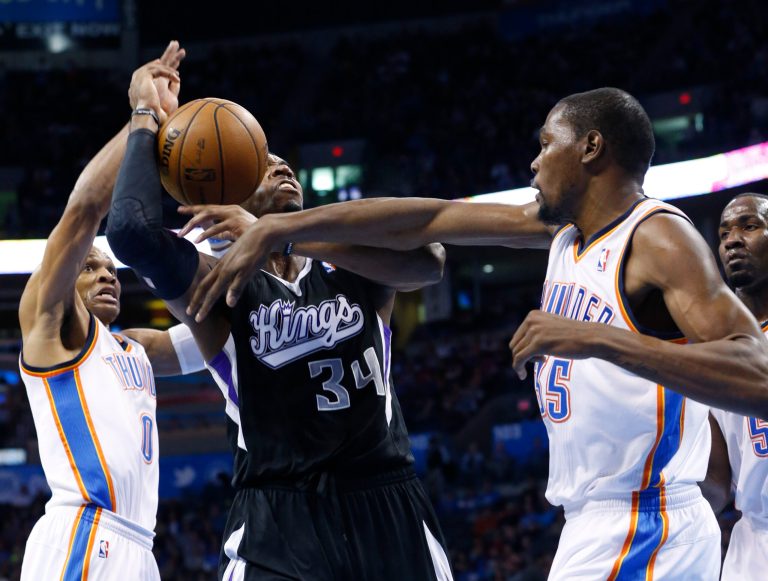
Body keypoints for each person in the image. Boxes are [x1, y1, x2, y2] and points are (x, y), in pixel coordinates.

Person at [187, 87, 768, 580]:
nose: (534, 162)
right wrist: (282, 230)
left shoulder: (658, 237)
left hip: (645, 519)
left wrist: (596, 339)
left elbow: (757, 373)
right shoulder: (559, 231)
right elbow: (427, 219)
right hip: (597, 520)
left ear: (592, 148)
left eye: (547, 143)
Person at [105, 97, 453, 577]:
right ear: (230, 189)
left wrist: (282, 233)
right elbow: (130, 232)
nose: (282, 166)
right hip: (279, 520)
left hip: (387, 503)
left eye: (284, 162)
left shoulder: (349, 258)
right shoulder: (218, 283)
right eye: (263, 163)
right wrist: (146, 115)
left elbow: (428, 261)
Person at [16, 43, 207, 580]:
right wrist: (144, 118)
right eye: (90, 268)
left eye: (112, 271)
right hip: (83, 534)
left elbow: (210, 342)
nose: (106, 275)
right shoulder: (51, 326)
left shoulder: (135, 348)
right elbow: (83, 213)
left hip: (137, 546)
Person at [701, 192, 768, 580]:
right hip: (753, 546)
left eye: (749, 225)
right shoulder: (711, 352)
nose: (731, 239)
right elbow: (717, 484)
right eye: (724, 231)